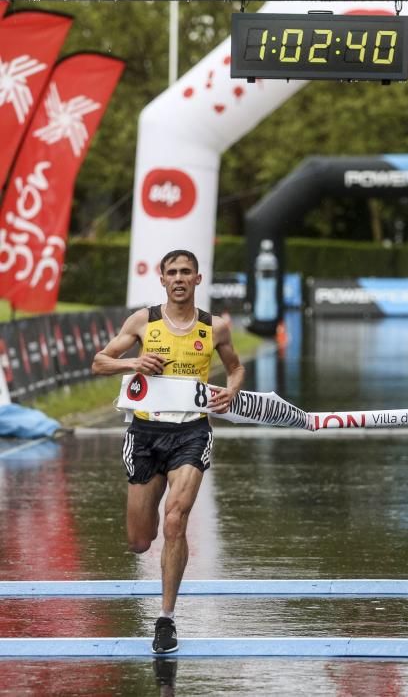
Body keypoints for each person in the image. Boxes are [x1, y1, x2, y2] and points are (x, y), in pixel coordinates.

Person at [92, 249, 245, 654]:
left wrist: (232, 390)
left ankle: (165, 619)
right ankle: (156, 557)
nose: (179, 278)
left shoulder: (216, 328)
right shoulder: (144, 321)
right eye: (172, 272)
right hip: (145, 434)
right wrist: (134, 364)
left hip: (191, 432)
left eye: (186, 272)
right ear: (162, 279)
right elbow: (99, 362)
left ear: (197, 279)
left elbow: (235, 367)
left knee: (176, 518)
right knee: (141, 541)